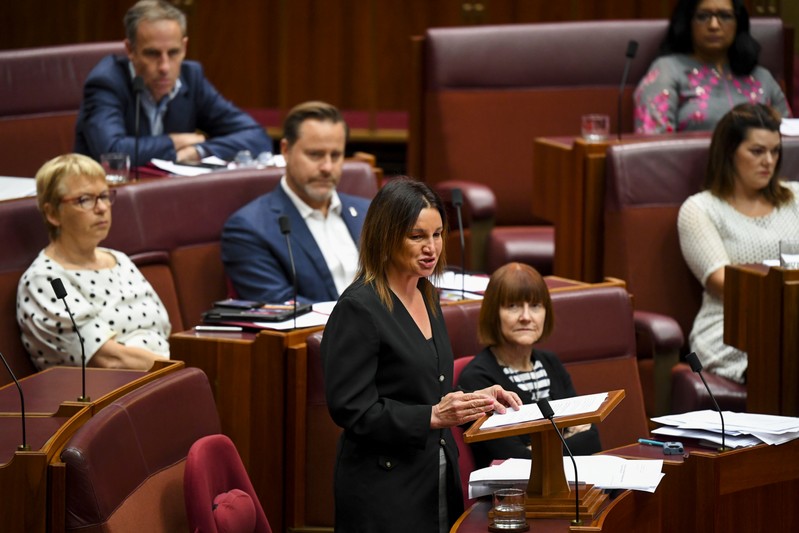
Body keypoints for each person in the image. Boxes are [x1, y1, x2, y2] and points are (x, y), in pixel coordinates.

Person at [321, 178, 522, 533]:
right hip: (384, 490)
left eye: (438, 234)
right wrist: (430, 416)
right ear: (386, 236)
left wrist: (476, 400)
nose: (432, 248)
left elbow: (426, 387)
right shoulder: (359, 308)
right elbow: (352, 409)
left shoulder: (426, 294)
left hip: (436, 477)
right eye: (417, 236)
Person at [678, 103, 799, 383]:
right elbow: (723, 282)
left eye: (775, 151)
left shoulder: (795, 198)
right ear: (729, 152)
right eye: (757, 151)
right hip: (730, 327)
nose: (769, 161)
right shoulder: (700, 209)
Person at [16, 154, 171, 370]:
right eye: (85, 199)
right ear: (52, 213)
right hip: (108, 397)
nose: (102, 208)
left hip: (162, 379)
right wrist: (188, 370)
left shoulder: (120, 260)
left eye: (104, 196)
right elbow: (110, 361)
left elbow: (162, 332)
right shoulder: (45, 280)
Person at [74, 0, 272, 163]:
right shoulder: (106, 82)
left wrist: (198, 151)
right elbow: (112, 153)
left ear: (185, 47)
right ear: (130, 50)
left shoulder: (191, 77)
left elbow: (256, 136)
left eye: (174, 52)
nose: (164, 67)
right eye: (152, 54)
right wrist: (174, 142)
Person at [221, 101, 370, 303]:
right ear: (286, 150)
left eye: (335, 155)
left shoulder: (369, 212)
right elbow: (278, 305)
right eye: (315, 154)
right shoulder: (251, 228)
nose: (327, 167)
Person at [457, 262, 601, 469]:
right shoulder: (478, 379)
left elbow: (592, 438)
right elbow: (514, 461)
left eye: (535, 306)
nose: (526, 317)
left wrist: (533, 448)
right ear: (493, 314)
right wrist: (568, 437)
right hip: (513, 496)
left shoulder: (550, 363)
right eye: (513, 306)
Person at [633, 0, 791, 134]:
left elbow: (790, 139)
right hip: (690, 169)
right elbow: (653, 143)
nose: (714, 25)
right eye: (703, 16)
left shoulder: (762, 77)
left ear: (738, 23)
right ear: (688, 22)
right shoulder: (668, 70)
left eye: (725, 16)